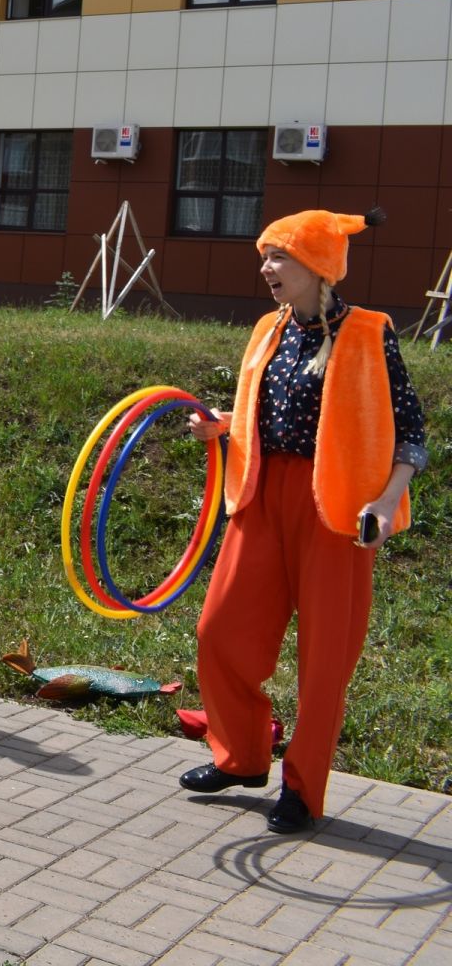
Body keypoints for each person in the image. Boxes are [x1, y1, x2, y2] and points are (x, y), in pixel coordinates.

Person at [181, 209, 426, 834]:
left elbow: (411, 435)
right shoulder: (268, 328)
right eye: (265, 256)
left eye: (278, 257)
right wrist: (222, 426)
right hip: (264, 496)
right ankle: (240, 757)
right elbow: (261, 415)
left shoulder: (371, 332)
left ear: (317, 265)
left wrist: (383, 503)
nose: (265, 269)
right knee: (220, 630)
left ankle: (303, 790)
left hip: (337, 509)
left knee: (325, 662)